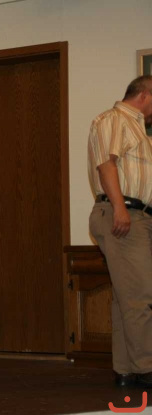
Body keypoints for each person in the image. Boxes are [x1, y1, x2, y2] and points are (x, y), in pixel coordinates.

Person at [87, 75, 152, 388]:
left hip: (136, 215)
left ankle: (126, 369)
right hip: (124, 214)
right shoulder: (113, 119)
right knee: (140, 296)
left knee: (127, 296)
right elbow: (107, 166)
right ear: (145, 95)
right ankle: (147, 368)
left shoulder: (139, 130)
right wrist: (120, 208)